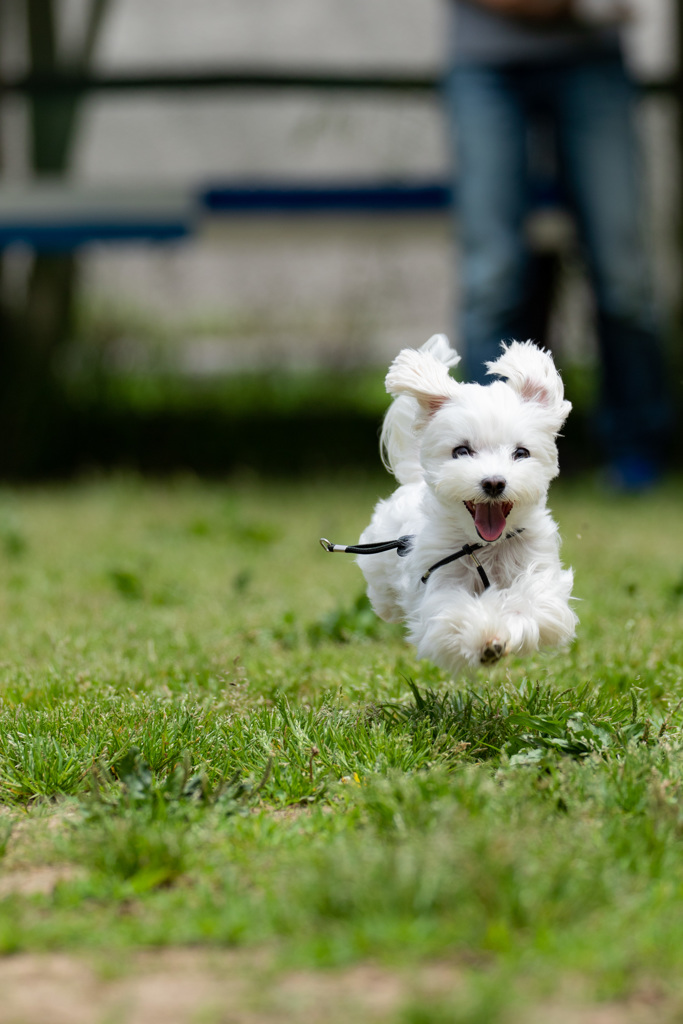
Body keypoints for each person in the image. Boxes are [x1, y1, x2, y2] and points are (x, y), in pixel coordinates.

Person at [444, 0, 673, 488]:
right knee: (493, 276)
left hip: (594, 59)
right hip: (486, 62)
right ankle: (478, 456)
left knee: (623, 273)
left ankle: (638, 451)